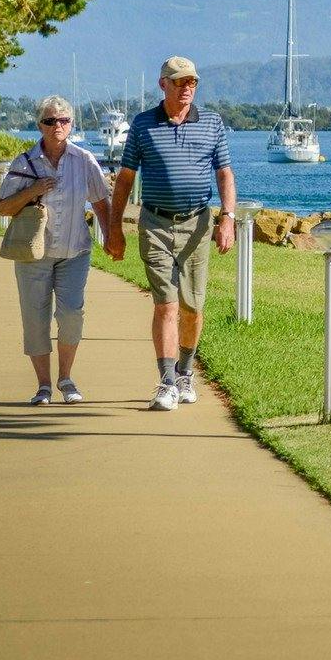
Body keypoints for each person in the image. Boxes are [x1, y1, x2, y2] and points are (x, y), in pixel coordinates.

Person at [106, 56, 235, 411]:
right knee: (166, 304)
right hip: (156, 225)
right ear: (163, 84)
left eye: (192, 82)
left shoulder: (211, 123)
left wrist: (228, 217)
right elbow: (126, 180)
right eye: (179, 82)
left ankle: (184, 373)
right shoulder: (143, 125)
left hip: (197, 224)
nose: (187, 88)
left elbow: (224, 173)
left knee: (192, 308)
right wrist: (114, 229)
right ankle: (165, 382)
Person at [0, 96, 112, 405]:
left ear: (71, 125)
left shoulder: (84, 160)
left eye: (63, 121)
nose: (57, 126)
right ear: (40, 126)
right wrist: (33, 191)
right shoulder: (24, 163)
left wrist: (112, 236)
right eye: (50, 121)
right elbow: (3, 206)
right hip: (33, 254)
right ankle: (43, 386)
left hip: (75, 251)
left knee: (72, 315)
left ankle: (66, 378)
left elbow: (101, 201)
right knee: (35, 319)